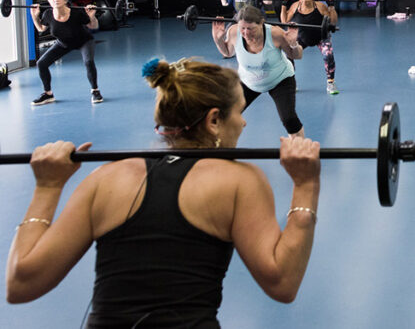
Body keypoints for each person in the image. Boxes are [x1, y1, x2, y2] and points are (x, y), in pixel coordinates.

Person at [5, 57, 321, 325]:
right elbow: (282, 283)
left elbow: (22, 283)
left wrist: (48, 186)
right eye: (239, 112)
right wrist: (305, 185)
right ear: (213, 120)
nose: (243, 123)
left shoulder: (105, 179)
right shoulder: (239, 182)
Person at [211, 4, 305, 137]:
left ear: (261, 23)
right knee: (225, 115)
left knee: (289, 119)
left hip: (280, 79)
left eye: (250, 29)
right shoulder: (233, 32)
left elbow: (296, 56)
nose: (246, 33)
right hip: (248, 82)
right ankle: (218, 150)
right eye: (242, 28)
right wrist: (218, 40)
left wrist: (293, 43)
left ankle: (300, 154)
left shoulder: (275, 33)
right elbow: (227, 52)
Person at [28, 0, 103, 105]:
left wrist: (92, 16)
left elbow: (93, 26)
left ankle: (95, 91)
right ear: (49, 0)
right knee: (41, 63)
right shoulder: (48, 14)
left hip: (84, 41)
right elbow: (41, 29)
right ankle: (48, 94)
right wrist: (34, 16)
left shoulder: (76, 13)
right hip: (63, 43)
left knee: (88, 61)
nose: (56, 0)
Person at [283, 0, 339, 95]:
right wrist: (283, 5)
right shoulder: (295, 6)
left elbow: (333, 21)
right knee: (288, 54)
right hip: (302, 38)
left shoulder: (320, 6)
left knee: (328, 54)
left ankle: (331, 83)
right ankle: (292, 83)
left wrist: (331, 6)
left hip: (320, 37)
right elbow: (284, 21)